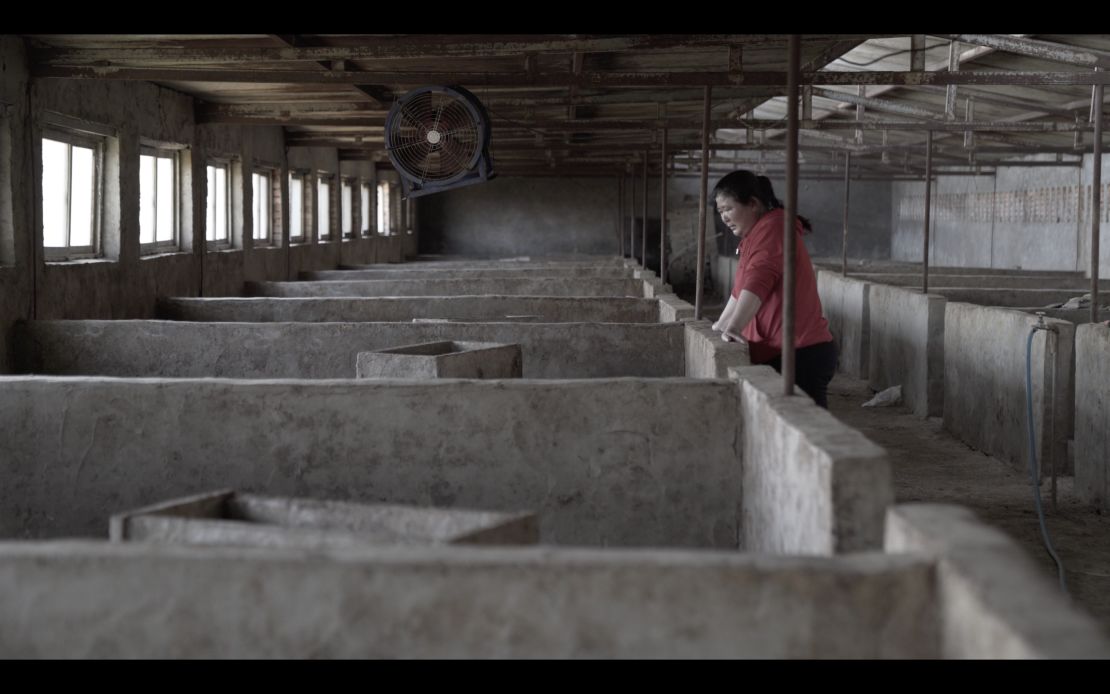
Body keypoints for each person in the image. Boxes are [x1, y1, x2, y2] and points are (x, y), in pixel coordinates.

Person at [710, 170, 838, 408]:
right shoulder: (754, 236)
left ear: (753, 204)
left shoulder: (774, 228)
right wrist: (721, 325)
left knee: (803, 433)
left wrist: (735, 326)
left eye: (728, 209)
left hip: (800, 353)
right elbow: (740, 291)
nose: (724, 218)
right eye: (720, 212)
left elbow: (759, 280)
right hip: (785, 351)